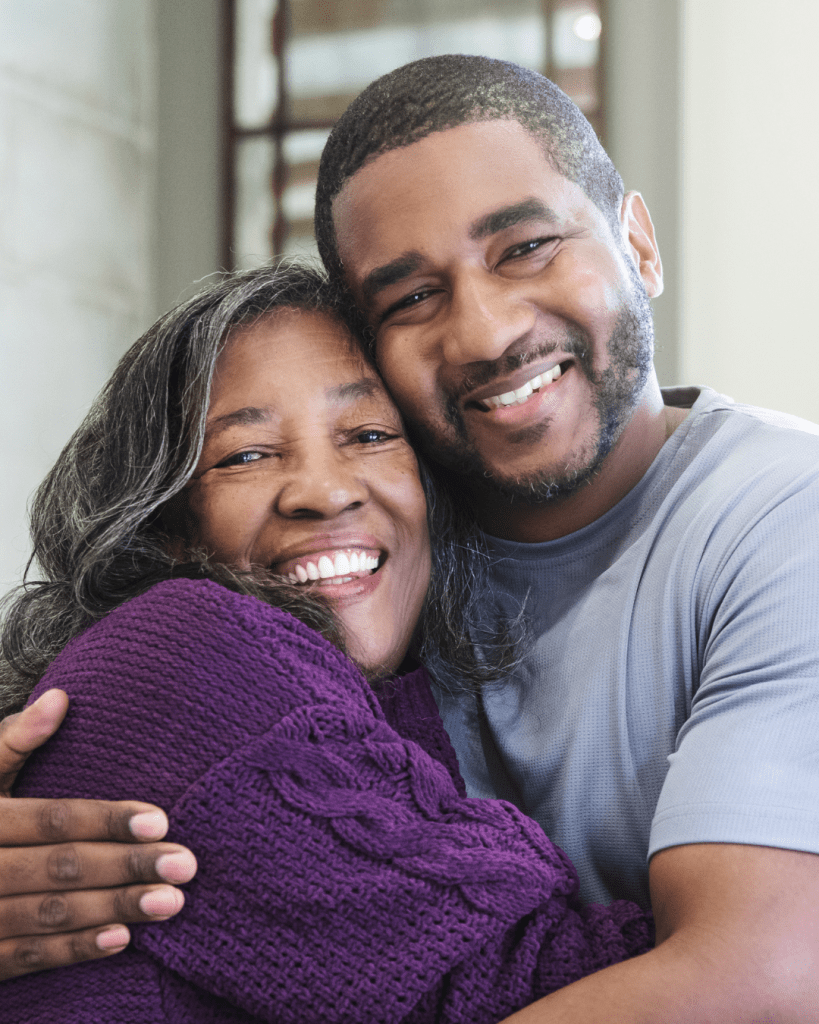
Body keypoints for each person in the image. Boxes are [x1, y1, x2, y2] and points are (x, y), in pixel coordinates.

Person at [3, 52, 819, 1018]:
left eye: (525, 246)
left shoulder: (777, 518)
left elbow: (764, 978)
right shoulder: (366, 565)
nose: (482, 332)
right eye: (411, 298)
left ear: (638, 244)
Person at [0, 261, 651, 1021]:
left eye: (370, 435)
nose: (324, 489)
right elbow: (528, 984)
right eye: (245, 454)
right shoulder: (194, 655)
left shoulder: (385, 703)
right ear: (167, 529)